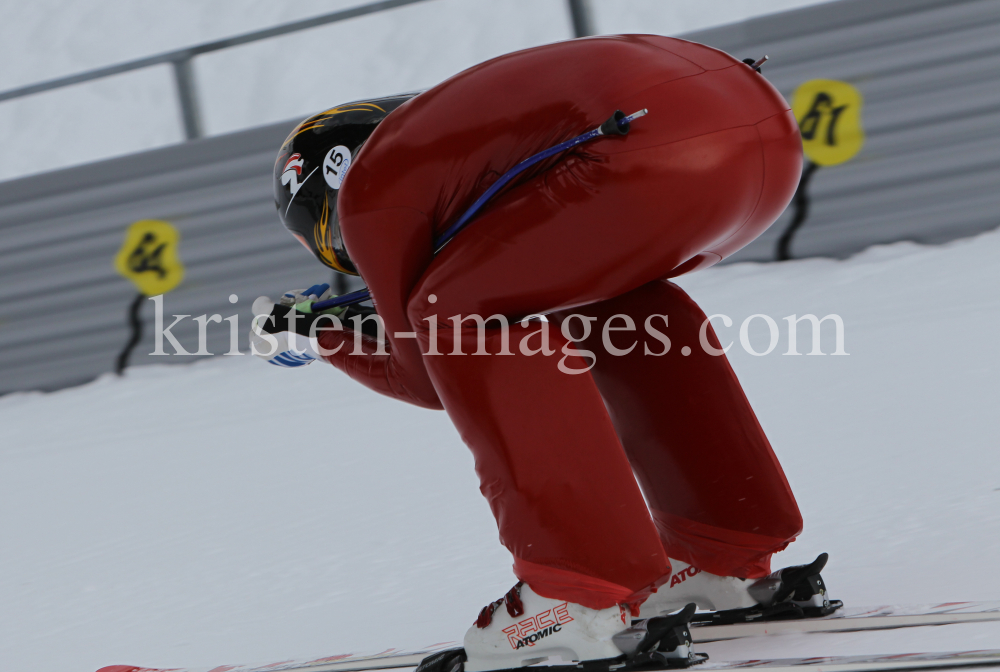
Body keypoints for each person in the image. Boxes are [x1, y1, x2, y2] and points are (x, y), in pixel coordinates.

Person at [254, 34, 836, 672]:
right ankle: (720, 551)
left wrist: (320, 335)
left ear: (323, 198)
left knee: (447, 312)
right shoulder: (453, 147)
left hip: (642, 148)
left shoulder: (372, 186)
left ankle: (572, 595)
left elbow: (427, 372)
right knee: (620, 305)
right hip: (758, 141)